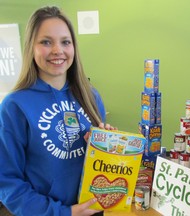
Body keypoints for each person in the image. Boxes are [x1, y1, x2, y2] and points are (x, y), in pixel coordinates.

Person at [0, 6, 116, 216]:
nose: (57, 50)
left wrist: (107, 146)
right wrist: (65, 213)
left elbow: (100, 166)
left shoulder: (90, 96)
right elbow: (8, 183)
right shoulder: (14, 106)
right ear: (31, 48)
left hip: (94, 210)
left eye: (65, 42)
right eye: (46, 42)